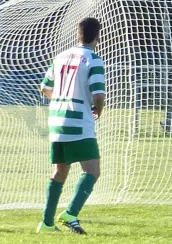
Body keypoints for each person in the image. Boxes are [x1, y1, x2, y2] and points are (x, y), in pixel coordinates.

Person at [36, 17, 105, 235]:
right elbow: (98, 94)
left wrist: (61, 101)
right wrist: (98, 110)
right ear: (97, 36)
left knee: (59, 171)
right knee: (92, 170)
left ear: (78, 33)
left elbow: (44, 87)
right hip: (78, 120)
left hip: (56, 119)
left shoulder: (61, 56)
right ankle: (71, 214)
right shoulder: (93, 59)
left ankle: (46, 224)